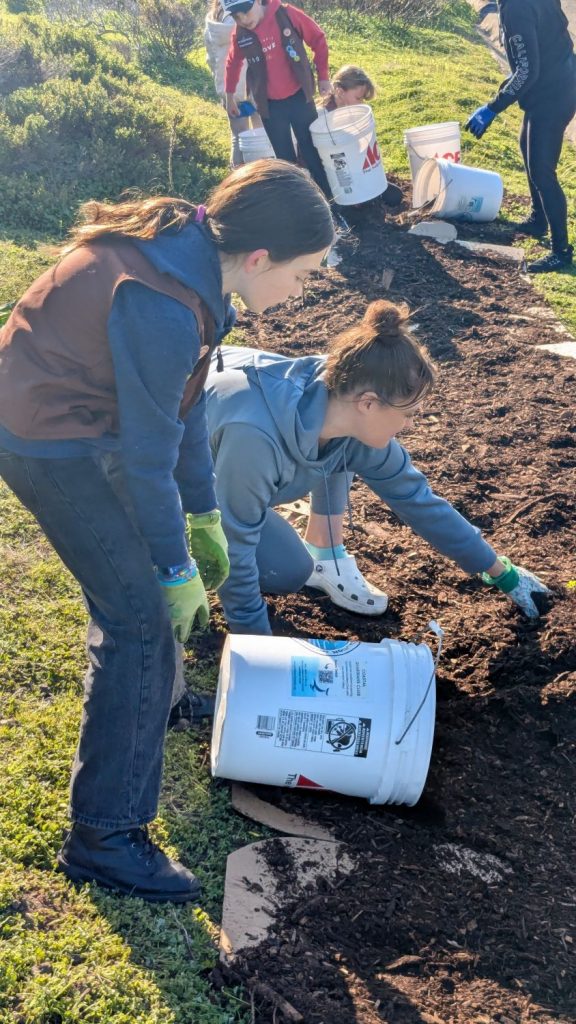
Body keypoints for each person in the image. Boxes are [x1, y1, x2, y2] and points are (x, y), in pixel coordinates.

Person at [0, 160, 335, 903]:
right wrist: (177, 567)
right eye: (304, 274)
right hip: (47, 438)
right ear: (260, 258)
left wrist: (205, 511)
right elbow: (147, 461)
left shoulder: (200, 259)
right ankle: (106, 838)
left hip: (92, 421)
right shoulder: (160, 302)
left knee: (140, 606)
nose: (301, 289)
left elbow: (183, 410)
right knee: (139, 620)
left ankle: (159, 695)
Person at [205, 300, 550, 636]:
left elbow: (419, 500)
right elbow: (236, 549)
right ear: (368, 403)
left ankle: (325, 551)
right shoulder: (255, 438)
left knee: (292, 570)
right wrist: (256, 649)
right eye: (407, 414)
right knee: (264, 563)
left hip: (237, 465)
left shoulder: (343, 401)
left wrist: (502, 573)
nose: (410, 426)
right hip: (177, 475)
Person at [465, 0, 576, 274]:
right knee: (525, 146)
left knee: (542, 170)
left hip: (554, 94)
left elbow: (527, 72)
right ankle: (538, 220)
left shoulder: (516, 9)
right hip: (557, 81)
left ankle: (561, 252)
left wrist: (493, 107)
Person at [222, 0, 332, 200]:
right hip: (270, 106)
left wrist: (323, 76)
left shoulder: (286, 14)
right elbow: (233, 62)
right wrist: (230, 97)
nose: (244, 20)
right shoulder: (240, 33)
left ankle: (329, 200)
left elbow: (318, 38)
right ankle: (298, 203)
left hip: (299, 97)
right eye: (236, 17)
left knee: (311, 151)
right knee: (285, 161)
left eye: (246, 12)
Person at [321, 63, 402, 208]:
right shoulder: (323, 118)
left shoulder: (353, 114)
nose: (361, 103)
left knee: (394, 196)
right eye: (358, 98)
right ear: (339, 91)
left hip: (358, 172)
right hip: (336, 179)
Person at [204, 0, 262, 167]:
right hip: (253, 87)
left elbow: (210, 58)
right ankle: (260, 172)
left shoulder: (213, 20)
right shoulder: (245, 17)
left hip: (230, 91)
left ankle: (236, 177)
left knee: (238, 136)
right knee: (261, 135)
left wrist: (220, 79)